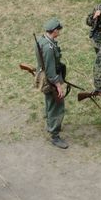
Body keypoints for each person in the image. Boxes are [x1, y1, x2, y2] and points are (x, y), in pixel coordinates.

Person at [35, 18, 69, 149]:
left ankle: (50, 122)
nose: (59, 32)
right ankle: (54, 134)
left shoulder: (41, 41)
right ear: (54, 31)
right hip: (50, 79)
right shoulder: (49, 48)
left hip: (45, 77)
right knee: (57, 104)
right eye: (58, 30)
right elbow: (50, 69)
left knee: (50, 102)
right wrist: (58, 85)